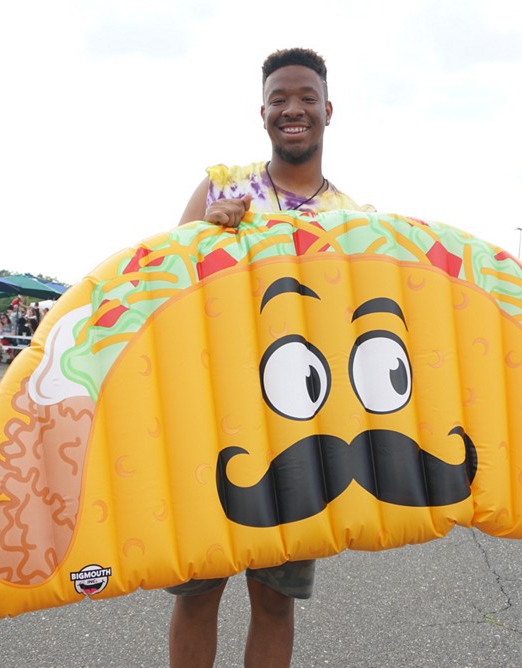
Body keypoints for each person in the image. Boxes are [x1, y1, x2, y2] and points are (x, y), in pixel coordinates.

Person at [169, 47, 371, 668]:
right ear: (262, 113)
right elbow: (164, 286)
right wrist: (206, 233)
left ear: (328, 111)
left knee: (275, 601)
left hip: (299, 432)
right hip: (213, 420)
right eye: (280, 99)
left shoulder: (352, 219)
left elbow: (354, 326)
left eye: (307, 98)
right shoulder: (222, 186)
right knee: (198, 594)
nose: (294, 110)